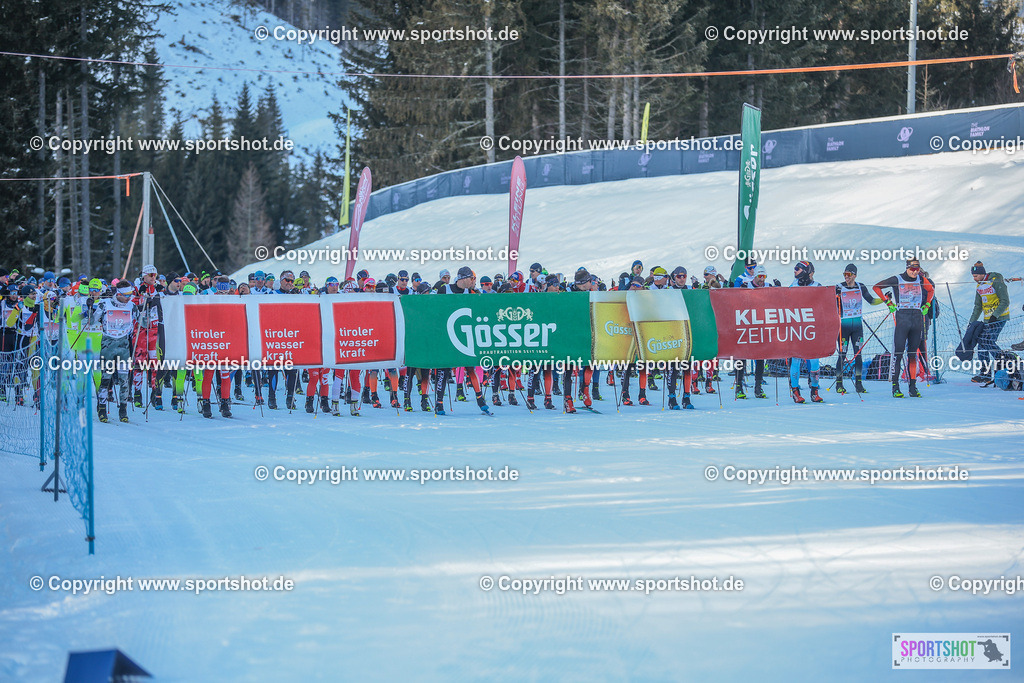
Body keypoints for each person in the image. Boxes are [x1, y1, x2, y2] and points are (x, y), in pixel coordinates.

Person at [872, 258, 935, 398]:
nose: (915, 272)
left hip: (917, 319)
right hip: (902, 319)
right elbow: (876, 287)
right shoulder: (898, 278)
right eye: (912, 269)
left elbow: (931, 290)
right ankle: (895, 387)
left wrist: (927, 305)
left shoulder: (921, 279)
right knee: (898, 354)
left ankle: (913, 387)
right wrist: (888, 302)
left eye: (917, 269)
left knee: (913, 354)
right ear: (907, 268)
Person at [92, 280, 137, 423]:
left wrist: (147, 308)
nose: (128, 298)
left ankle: (123, 410)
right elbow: (92, 321)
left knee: (124, 381)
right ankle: (102, 408)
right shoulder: (104, 304)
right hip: (108, 346)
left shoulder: (132, 306)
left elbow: (142, 322)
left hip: (124, 346)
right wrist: (89, 308)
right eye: (125, 295)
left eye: (130, 294)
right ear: (118, 294)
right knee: (106, 379)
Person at [834, 264, 883, 395]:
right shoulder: (838, 287)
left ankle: (859, 384)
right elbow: (830, 303)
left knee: (858, 354)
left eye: (848, 275)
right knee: (842, 354)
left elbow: (871, 301)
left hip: (857, 327)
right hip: (843, 327)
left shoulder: (860, 287)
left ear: (855, 275)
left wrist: (884, 299)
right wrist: (836, 296)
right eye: (844, 274)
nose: (846, 277)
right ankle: (839, 384)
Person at [967, 261, 1010, 382]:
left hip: (999, 318)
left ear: (982, 274)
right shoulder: (979, 286)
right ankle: (985, 374)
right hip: (988, 320)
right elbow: (978, 306)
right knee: (982, 343)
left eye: (975, 276)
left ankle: (1004, 361)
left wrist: (995, 316)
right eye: (973, 276)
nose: (974, 278)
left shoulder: (996, 281)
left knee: (987, 341)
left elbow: (1005, 301)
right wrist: (972, 322)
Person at [789, 261, 824, 403]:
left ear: (808, 272)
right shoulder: (793, 285)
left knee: (814, 362)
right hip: (797, 329)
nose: (795, 271)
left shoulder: (817, 286)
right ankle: (795, 391)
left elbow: (826, 304)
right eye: (795, 268)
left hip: (812, 329)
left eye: (798, 269)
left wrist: (834, 295)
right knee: (796, 360)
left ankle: (814, 392)